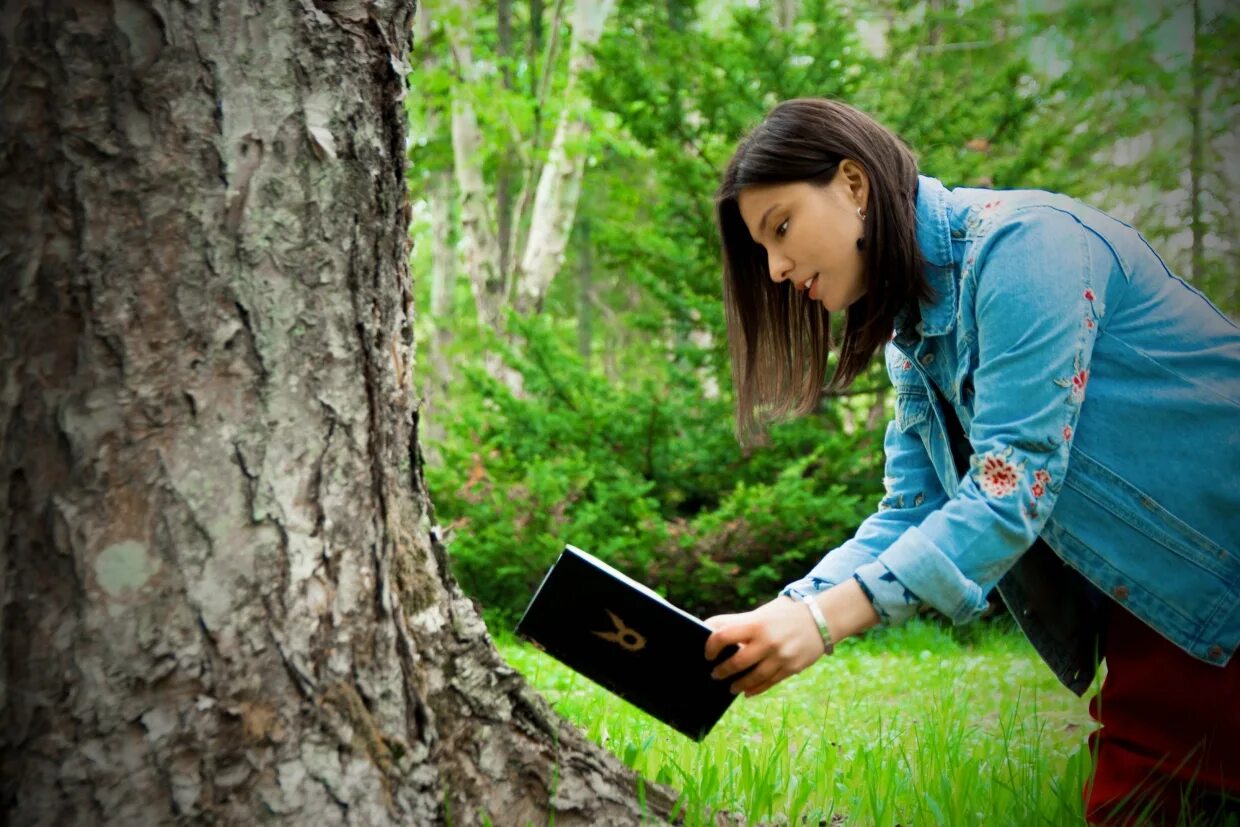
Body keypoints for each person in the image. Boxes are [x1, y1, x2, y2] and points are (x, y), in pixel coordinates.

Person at [701, 98, 1240, 825]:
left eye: (782, 227)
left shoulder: (1026, 249)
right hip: (1167, 616)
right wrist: (792, 607)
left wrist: (825, 622)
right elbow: (911, 511)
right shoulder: (916, 336)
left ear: (854, 185)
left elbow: (1010, 484)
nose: (775, 268)